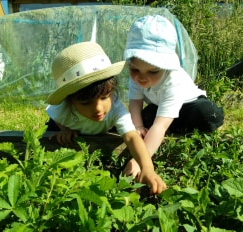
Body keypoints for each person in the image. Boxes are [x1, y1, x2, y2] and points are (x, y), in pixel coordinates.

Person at [45, 41, 167, 194]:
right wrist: (64, 129)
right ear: (70, 100)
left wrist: (147, 168)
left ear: (112, 90)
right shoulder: (62, 109)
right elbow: (54, 116)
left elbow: (131, 137)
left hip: (102, 128)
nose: (98, 108)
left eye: (104, 97)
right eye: (86, 102)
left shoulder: (115, 109)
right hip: (69, 127)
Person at [122, 15, 224, 176]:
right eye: (134, 69)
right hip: (160, 107)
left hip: (188, 105)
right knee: (141, 117)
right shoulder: (136, 76)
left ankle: (181, 126)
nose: (141, 77)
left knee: (207, 114)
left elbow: (159, 125)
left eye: (153, 72)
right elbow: (135, 102)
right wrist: (137, 126)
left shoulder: (173, 81)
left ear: (166, 66)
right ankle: (175, 126)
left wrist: (140, 161)